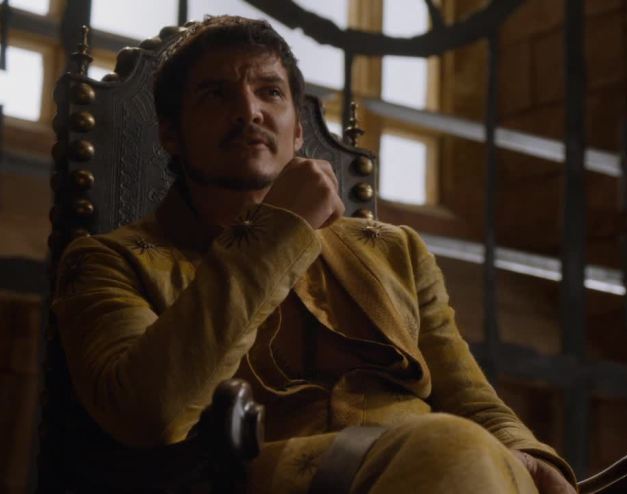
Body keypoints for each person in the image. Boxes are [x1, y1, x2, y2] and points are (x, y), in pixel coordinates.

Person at [52, 15, 577, 494]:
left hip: (451, 468)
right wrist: (279, 230)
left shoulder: (395, 251)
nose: (249, 111)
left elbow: (471, 399)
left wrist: (528, 458)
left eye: (270, 92)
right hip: (264, 476)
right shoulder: (107, 262)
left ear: (298, 130)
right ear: (171, 133)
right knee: (451, 445)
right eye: (216, 95)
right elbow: (148, 413)